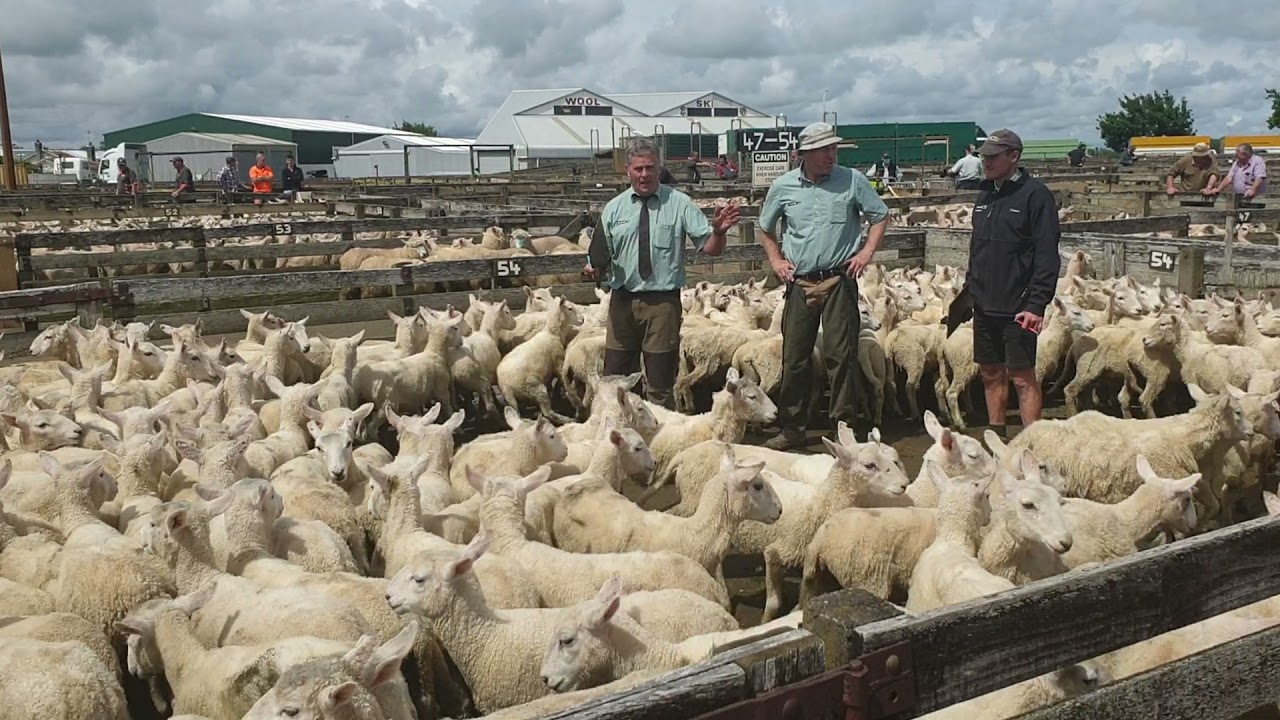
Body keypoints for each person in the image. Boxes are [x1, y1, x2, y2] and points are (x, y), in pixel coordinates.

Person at [757, 121, 890, 449]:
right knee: (795, 355)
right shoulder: (784, 186)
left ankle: (843, 427)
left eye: (833, 149)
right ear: (806, 153)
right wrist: (776, 261)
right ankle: (793, 427)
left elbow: (879, 215)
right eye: (823, 150)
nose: (831, 155)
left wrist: (866, 252)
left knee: (840, 355)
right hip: (800, 282)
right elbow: (764, 226)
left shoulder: (852, 181)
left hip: (838, 279)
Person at [585, 136, 738, 408]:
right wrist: (592, 267)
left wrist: (718, 232)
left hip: (662, 305)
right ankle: (619, 439)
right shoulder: (613, 209)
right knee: (615, 381)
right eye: (638, 168)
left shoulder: (679, 204)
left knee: (660, 382)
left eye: (650, 168)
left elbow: (711, 249)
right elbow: (599, 255)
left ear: (659, 168)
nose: (644, 174)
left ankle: (659, 444)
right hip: (621, 302)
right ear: (628, 170)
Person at [962, 128, 1061, 437]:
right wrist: (970, 292)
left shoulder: (1035, 195)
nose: (986, 161)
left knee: (1021, 375)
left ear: (1014, 156)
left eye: (993, 156)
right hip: (985, 301)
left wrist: (1036, 303)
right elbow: (977, 248)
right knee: (990, 372)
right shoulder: (985, 194)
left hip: (1018, 306)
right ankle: (997, 436)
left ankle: (1034, 442)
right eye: (984, 156)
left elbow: (1047, 252)